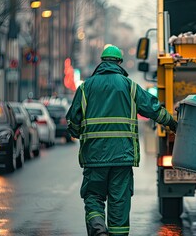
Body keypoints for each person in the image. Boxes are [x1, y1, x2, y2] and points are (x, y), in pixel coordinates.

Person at [66, 44, 177, 236]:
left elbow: (73, 119)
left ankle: (98, 229)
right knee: (119, 201)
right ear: (119, 63)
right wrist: (173, 123)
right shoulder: (129, 86)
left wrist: (75, 132)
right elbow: (152, 109)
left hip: (94, 157)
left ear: (102, 62)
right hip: (122, 157)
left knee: (93, 197)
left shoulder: (85, 87)